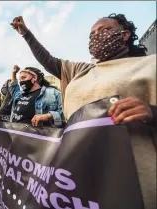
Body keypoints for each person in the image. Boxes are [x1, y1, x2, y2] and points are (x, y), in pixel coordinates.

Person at [11, 14, 156, 208]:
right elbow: (48, 60)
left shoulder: (150, 64)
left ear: (125, 34)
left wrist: (152, 112)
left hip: (134, 179)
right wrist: (26, 34)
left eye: (103, 30)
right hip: (79, 174)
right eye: (92, 34)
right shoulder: (81, 70)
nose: (96, 36)